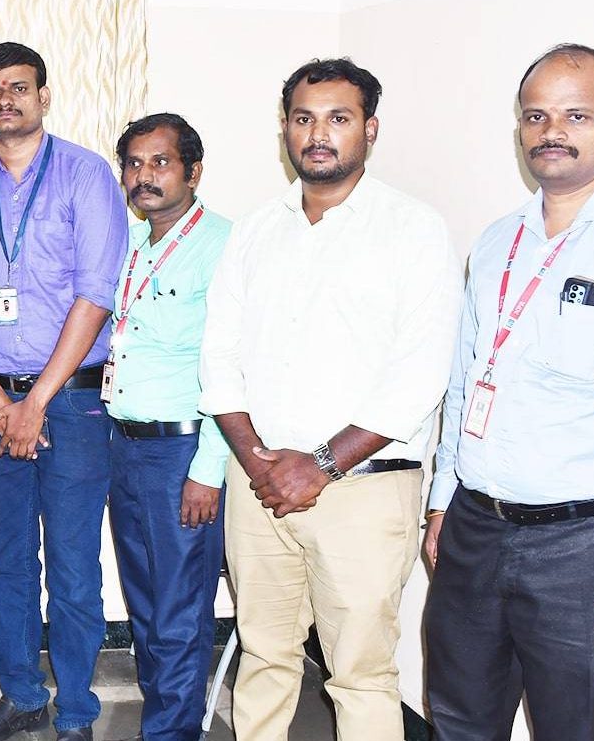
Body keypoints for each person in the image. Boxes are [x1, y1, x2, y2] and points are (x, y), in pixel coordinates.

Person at [197, 58, 461, 741]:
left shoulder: (414, 229)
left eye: (338, 118)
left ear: (369, 129)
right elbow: (219, 355)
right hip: (259, 485)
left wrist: (318, 464)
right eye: (303, 118)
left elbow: (420, 373)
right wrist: (256, 460)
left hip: (364, 491)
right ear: (285, 129)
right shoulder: (257, 229)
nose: (318, 134)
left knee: (360, 675)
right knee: (263, 657)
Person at [424, 44, 594, 740]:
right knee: (459, 720)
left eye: (577, 115)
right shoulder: (495, 243)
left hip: (588, 546)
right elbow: (465, 379)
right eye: (536, 115)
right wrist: (443, 500)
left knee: (582, 728)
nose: (552, 131)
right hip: (475, 529)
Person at [0, 42, 126, 741]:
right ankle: (21, 697)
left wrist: (37, 402)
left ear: (43, 96)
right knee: (6, 564)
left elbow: (96, 294)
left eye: (19, 87)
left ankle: (76, 710)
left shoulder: (86, 175)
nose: (5, 100)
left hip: (72, 404)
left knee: (74, 568)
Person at [106, 113, 231, 741]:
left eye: (160, 162)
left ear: (193, 171)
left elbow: (233, 367)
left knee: (180, 608)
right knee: (146, 604)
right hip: (123, 447)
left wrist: (209, 469)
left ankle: (172, 734)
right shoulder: (129, 243)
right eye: (133, 164)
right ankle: (167, 722)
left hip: (183, 451)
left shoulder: (225, 245)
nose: (144, 176)